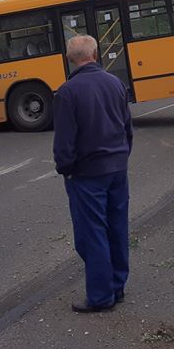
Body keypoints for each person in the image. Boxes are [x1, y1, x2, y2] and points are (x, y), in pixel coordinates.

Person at [53, 35, 133, 313]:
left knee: (92, 233)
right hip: (117, 168)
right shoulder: (116, 84)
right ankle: (117, 286)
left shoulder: (67, 92)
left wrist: (66, 170)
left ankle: (100, 296)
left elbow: (64, 142)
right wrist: (122, 157)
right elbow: (127, 127)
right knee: (117, 227)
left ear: (69, 59)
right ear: (96, 55)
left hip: (87, 175)